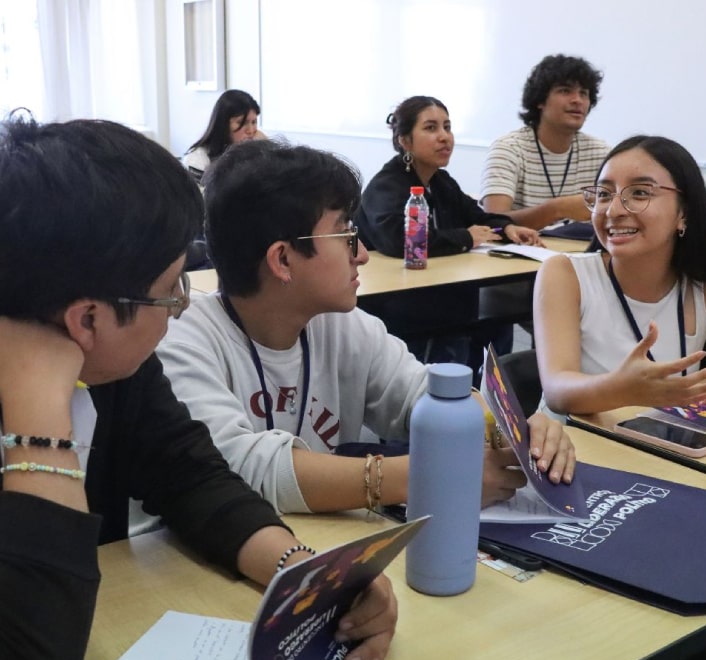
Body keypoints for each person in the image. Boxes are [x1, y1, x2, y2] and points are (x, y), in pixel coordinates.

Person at [0, 115, 396, 660]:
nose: (179, 309)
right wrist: (38, 415)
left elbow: (191, 477)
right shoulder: (72, 376)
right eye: (170, 290)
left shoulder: (115, 372)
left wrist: (309, 578)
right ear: (87, 319)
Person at [153, 139, 575, 521]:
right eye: (345, 234)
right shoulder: (183, 341)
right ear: (282, 260)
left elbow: (422, 394)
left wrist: (510, 431)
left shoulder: (342, 326)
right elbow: (241, 468)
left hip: (321, 542)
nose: (363, 256)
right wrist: (429, 475)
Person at [534, 134, 706, 418]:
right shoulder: (565, 273)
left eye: (640, 193)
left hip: (655, 451)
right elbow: (558, 391)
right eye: (604, 194)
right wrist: (624, 389)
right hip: (568, 449)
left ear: (684, 213)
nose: (614, 210)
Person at [355, 95, 542, 362]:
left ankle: (485, 388)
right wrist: (465, 237)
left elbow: (476, 215)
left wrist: (507, 228)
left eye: (447, 127)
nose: (444, 137)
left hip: (437, 289)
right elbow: (398, 241)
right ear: (405, 141)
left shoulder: (441, 181)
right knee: (468, 322)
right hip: (396, 301)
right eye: (431, 128)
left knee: (495, 320)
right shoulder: (386, 185)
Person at [480, 54, 609, 231]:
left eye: (583, 93)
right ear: (540, 100)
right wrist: (557, 209)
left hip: (578, 253)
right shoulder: (509, 149)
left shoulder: (601, 153)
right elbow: (493, 222)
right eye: (565, 91)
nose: (577, 100)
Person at [183, 89, 266, 182]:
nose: (251, 130)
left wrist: (267, 149)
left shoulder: (256, 151)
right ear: (223, 124)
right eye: (242, 123)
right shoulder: (198, 159)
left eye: (254, 122)